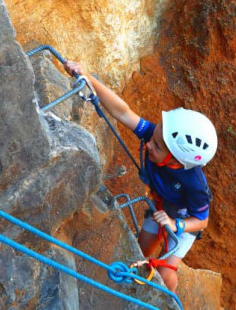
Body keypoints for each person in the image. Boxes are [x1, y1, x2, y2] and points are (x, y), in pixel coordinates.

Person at [65, 60, 216, 293]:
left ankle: (165, 300)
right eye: (152, 138)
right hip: (161, 206)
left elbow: (202, 220)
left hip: (184, 221)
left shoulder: (194, 183)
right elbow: (123, 112)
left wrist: (176, 224)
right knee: (139, 252)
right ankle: (130, 288)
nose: (148, 145)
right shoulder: (158, 138)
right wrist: (89, 78)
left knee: (166, 274)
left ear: (176, 160)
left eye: (155, 145)